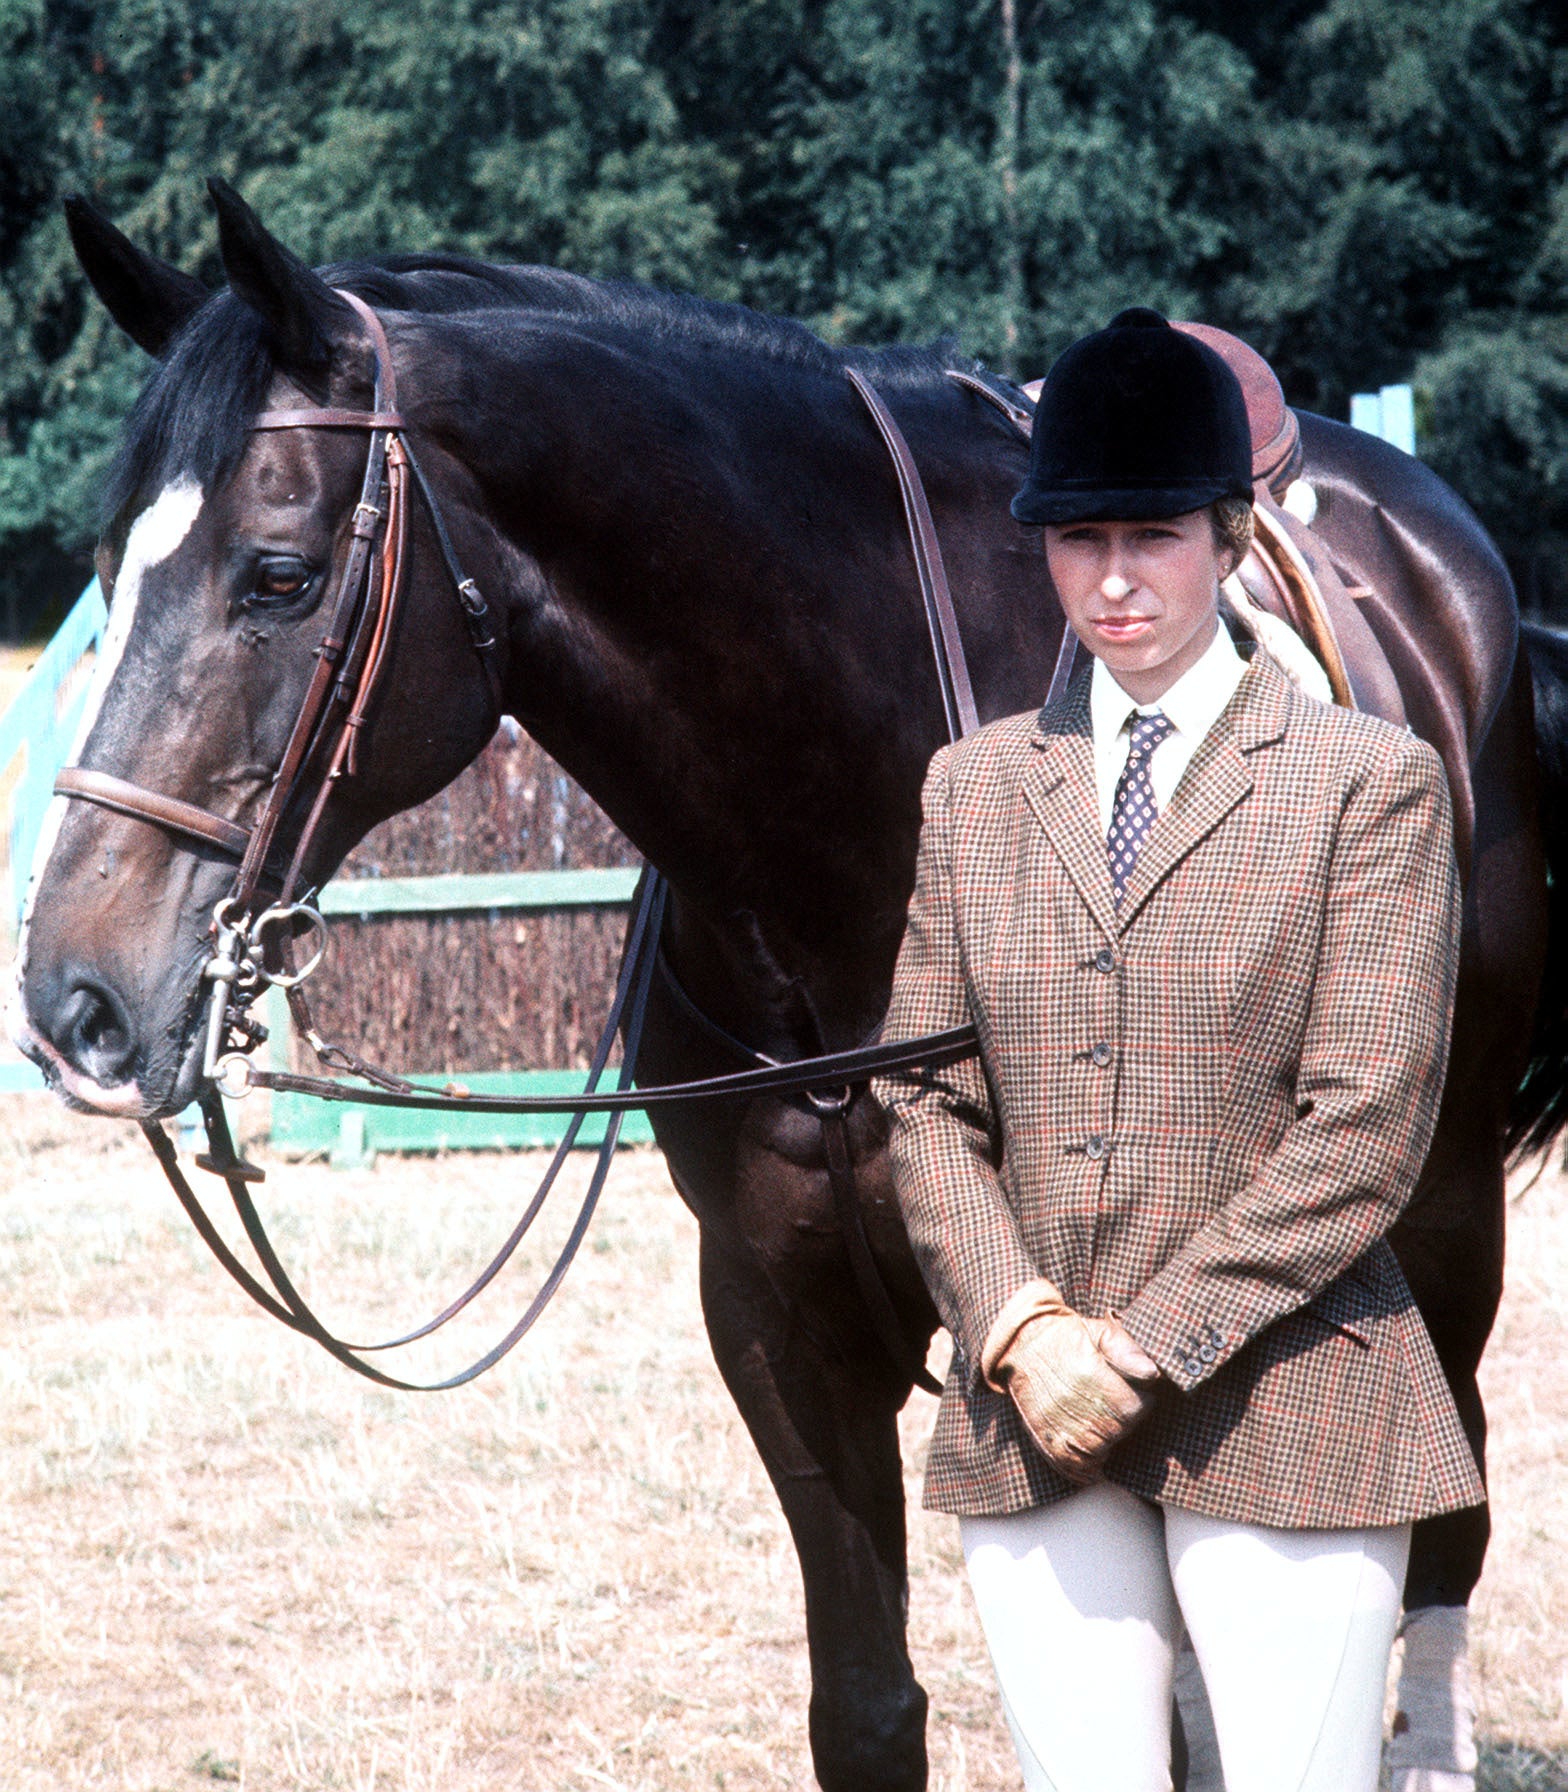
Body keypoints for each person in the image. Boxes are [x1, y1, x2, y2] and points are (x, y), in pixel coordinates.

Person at [874, 308, 1483, 1792]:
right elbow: (922, 1095)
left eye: (1151, 535)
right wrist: (1020, 1330)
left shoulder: (1369, 785)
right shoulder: (976, 789)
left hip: (1294, 1389)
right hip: (1037, 1399)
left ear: (1229, 532)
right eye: (1077, 541)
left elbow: (1367, 1125)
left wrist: (1142, 1347)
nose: (1114, 578)